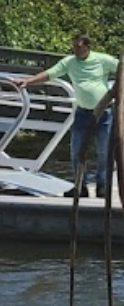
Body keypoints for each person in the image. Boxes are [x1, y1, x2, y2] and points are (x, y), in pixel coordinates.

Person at [12, 33, 118, 197]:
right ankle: (80, 186)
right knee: (76, 150)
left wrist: (120, 89)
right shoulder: (69, 62)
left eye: (78, 46)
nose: (75, 50)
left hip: (104, 112)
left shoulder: (103, 60)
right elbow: (50, 73)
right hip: (83, 112)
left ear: (87, 46)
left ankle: (102, 186)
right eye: (73, 46)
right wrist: (28, 81)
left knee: (104, 151)